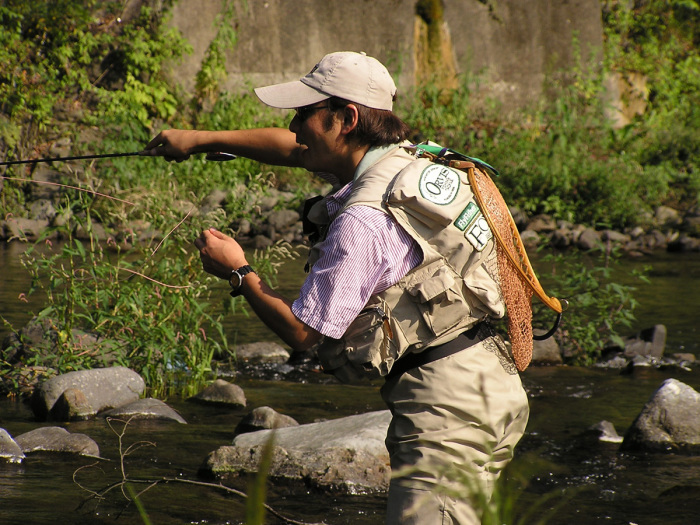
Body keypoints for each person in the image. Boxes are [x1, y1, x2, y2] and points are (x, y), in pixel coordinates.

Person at [144, 51, 529, 525]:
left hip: (444, 411)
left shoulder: (361, 221)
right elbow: (290, 148)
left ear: (346, 119)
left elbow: (307, 335)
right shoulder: (417, 164)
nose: (295, 125)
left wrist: (239, 272)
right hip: (495, 385)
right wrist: (200, 140)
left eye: (305, 113)